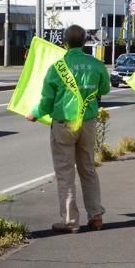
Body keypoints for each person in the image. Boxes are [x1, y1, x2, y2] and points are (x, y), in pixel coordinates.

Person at [27, 24, 110, 233]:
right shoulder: (96, 64)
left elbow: (47, 101)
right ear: (84, 42)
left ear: (64, 43)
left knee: (65, 173)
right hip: (88, 122)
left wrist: (35, 113)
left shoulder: (57, 68)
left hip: (64, 125)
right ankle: (96, 216)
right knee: (88, 169)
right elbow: (105, 89)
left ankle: (71, 221)